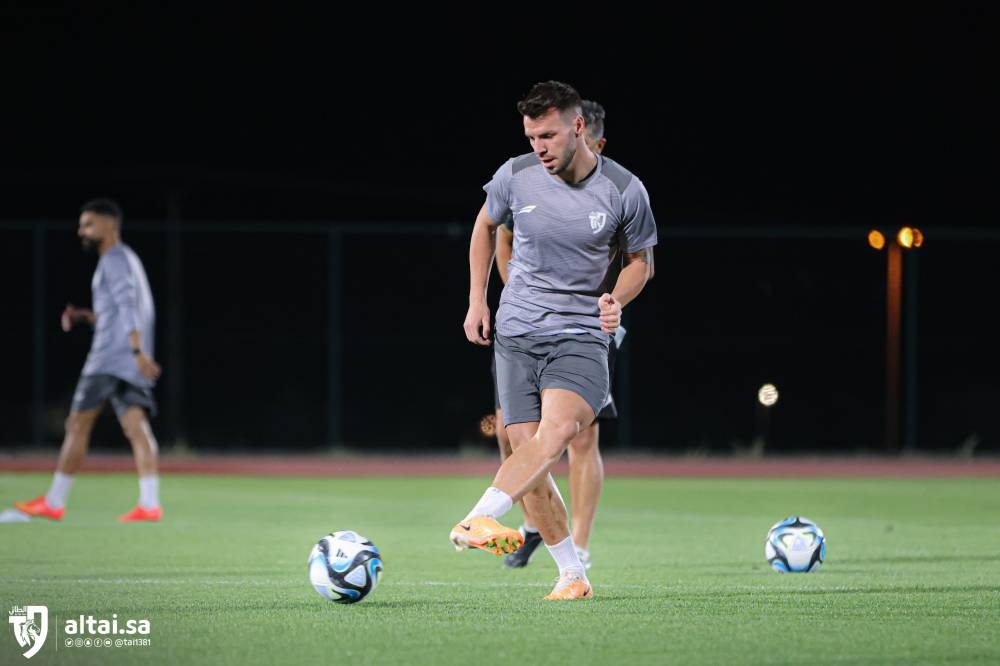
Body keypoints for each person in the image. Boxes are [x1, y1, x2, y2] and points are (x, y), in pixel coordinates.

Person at [452, 81, 657, 600]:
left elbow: (642, 263)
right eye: (531, 137)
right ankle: (572, 575)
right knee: (529, 457)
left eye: (548, 136)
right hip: (517, 335)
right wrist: (477, 299)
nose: (538, 147)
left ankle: (480, 516)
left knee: (561, 431)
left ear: (578, 127)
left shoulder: (624, 189)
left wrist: (616, 298)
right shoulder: (515, 175)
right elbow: (485, 226)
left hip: (581, 333)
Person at [13, 198, 164, 522]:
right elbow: (120, 312)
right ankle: (150, 504)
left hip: (109, 358)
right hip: (127, 358)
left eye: (88, 224)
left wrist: (137, 352)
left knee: (77, 424)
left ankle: (54, 501)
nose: (82, 231)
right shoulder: (129, 258)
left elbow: (127, 305)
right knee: (136, 426)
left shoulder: (113, 259)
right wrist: (86, 317)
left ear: (109, 224)